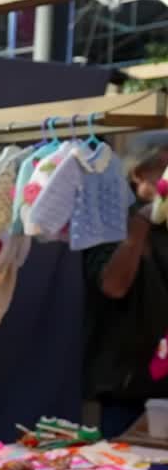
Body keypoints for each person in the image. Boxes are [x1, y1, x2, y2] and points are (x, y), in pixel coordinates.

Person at [83, 132, 168, 436]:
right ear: (138, 173)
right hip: (129, 387)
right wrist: (141, 227)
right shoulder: (111, 221)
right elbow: (113, 286)